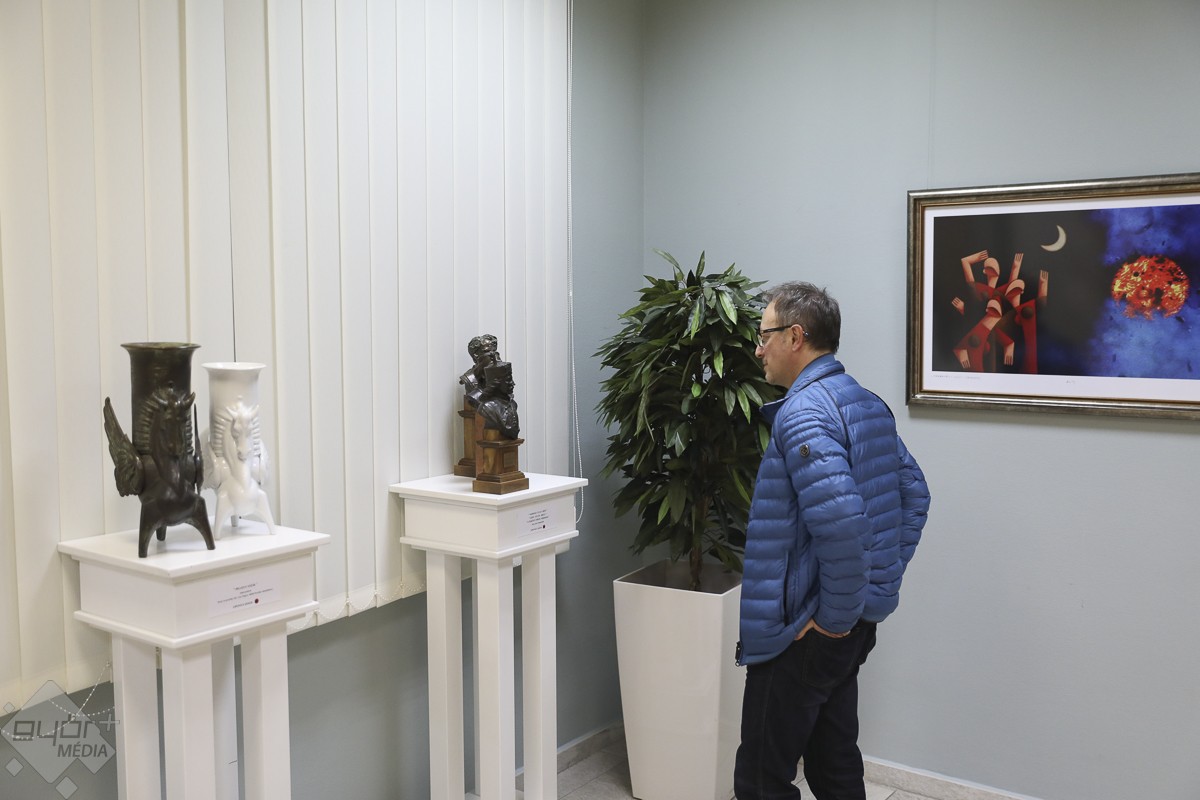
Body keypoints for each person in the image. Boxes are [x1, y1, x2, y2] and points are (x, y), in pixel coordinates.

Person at [734, 281, 930, 800]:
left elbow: (843, 524)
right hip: (848, 624)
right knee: (833, 760)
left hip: (806, 632)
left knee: (760, 778)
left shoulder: (804, 413)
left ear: (796, 336)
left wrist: (833, 622)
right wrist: (873, 592)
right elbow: (916, 494)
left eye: (764, 336)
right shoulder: (864, 403)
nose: (759, 350)